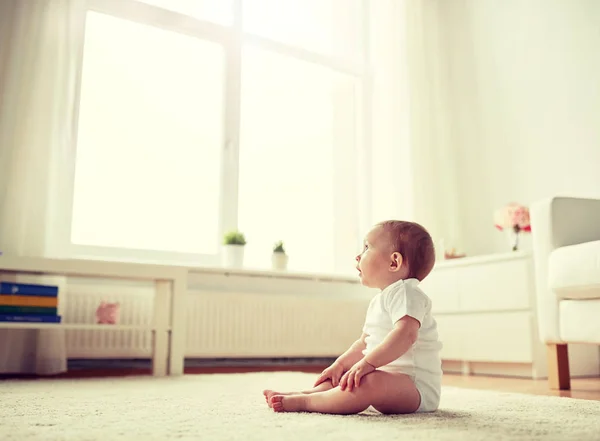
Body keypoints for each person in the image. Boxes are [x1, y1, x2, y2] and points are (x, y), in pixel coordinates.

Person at [263, 220, 443, 414]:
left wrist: (367, 364)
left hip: (415, 389)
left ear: (394, 262)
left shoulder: (407, 293)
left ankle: (307, 403)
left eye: (367, 248)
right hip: (386, 379)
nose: (358, 255)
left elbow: (406, 335)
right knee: (346, 376)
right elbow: (364, 343)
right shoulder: (379, 301)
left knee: (368, 380)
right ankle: (307, 393)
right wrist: (339, 365)